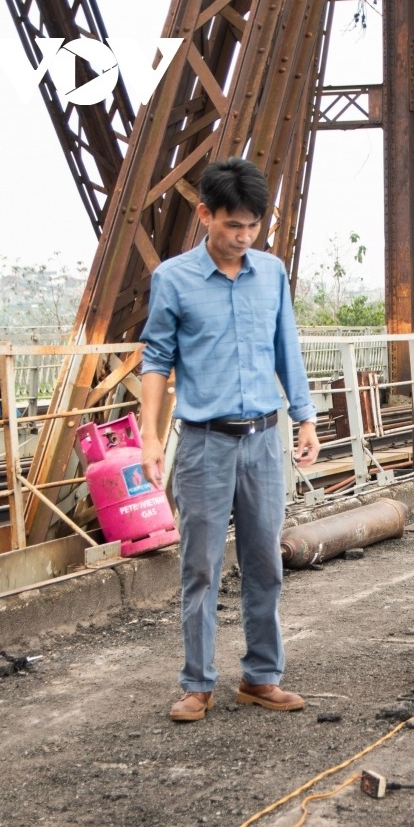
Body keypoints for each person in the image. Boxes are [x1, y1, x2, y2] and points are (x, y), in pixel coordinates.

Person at [139, 157, 321, 723]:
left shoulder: (272, 273)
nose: (243, 237)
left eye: (252, 226)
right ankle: (198, 683)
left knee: (266, 560)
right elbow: (156, 361)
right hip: (203, 444)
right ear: (204, 215)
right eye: (231, 226)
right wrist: (149, 437)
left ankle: (261, 677)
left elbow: (286, 346)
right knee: (201, 566)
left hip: (264, 441)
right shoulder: (173, 279)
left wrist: (306, 415)